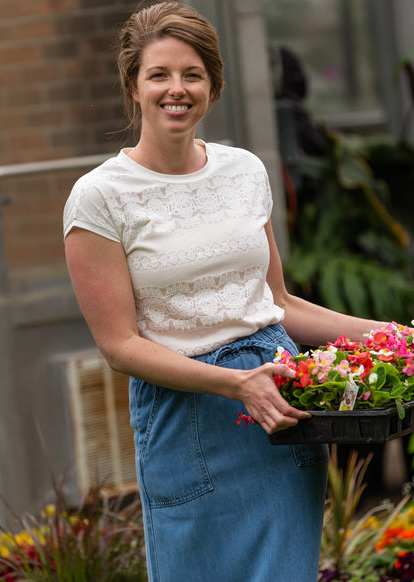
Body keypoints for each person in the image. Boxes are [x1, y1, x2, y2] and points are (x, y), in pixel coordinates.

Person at [63, 3, 388, 581]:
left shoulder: (243, 171)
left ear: (213, 85)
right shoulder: (99, 198)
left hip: (281, 408)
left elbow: (279, 305)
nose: (176, 90)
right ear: (133, 85)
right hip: (187, 411)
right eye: (158, 75)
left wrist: (393, 338)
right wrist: (235, 383)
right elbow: (118, 346)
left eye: (192, 75)